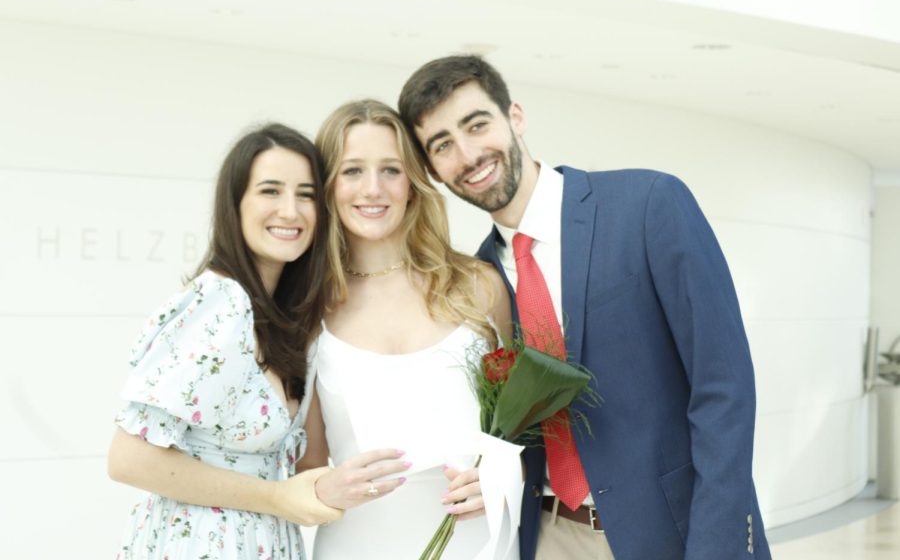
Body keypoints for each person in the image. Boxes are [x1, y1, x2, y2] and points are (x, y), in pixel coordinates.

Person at [398, 56, 772, 560]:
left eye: (477, 124)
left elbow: (723, 388)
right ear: (433, 171)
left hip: (675, 534)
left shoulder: (648, 204)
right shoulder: (476, 282)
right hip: (549, 536)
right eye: (442, 145)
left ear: (516, 117)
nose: (467, 154)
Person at [107, 123, 407, 559]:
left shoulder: (287, 318)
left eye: (305, 195)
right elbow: (129, 460)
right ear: (236, 205)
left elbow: (306, 466)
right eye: (270, 191)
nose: (291, 211)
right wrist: (279, 498)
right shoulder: (219, 303)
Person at [307, 99, 517, 559]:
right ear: (326, 186)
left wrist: (506, 476)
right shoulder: (307, 311)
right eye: (352, 171)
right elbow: (304, 474)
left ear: (413, 182)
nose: (373, 189)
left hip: (481, 545)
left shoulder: (479, 287)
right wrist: (327, 487)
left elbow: (531, 430)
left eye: (390, 170)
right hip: (358, 546)